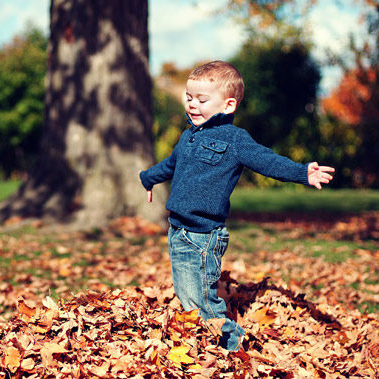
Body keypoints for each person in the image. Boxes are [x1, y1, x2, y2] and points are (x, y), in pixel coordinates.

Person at [138, 60, 335, 352]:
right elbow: (170, 165)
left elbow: (269, 161)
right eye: (189, 97)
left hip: (202, 237)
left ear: (228, 105)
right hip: (178, 232)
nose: (192, 105)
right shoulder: (188, 136)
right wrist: (147, 178)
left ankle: (235, 346)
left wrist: (302, 172)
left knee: (201, 301)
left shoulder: (235, 140)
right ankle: (207, 345)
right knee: (187, 295)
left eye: (202, 100)